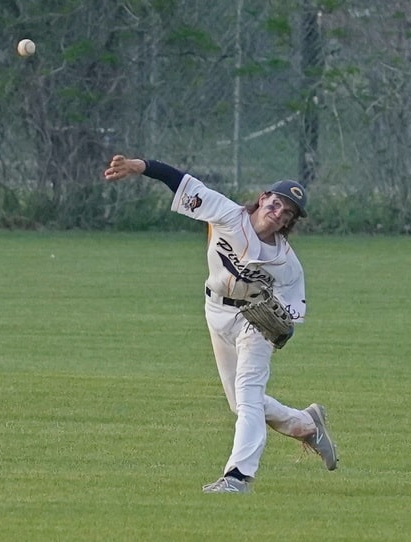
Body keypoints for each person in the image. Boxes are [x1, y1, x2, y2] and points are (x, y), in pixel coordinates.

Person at [104, 155, 338, 493]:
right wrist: (140, 166)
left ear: (289, 222)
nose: (279, 213)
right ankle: (306, 424)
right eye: (276, 203)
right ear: (263, 199)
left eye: (288, 213)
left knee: (248, 395)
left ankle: (237, 477)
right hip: (215, 310)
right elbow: (182, 183)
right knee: (239, 403)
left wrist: (280, 325)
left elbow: (290, 315)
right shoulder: (227, 214)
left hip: (254, 323)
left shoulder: (286, 263)